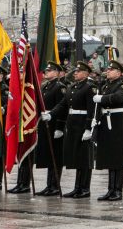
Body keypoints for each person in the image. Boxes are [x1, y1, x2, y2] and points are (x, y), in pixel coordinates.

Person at [47, 61, 96, 198]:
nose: (75, 73)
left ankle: (85, 188)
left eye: (78, 71)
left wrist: (88, 129)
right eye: (75, 71)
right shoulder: (73, 87)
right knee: (76, 157)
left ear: (85, 73)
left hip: (82, 123)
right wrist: (51, 114)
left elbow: (91, 110)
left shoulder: (89, 87)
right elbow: (63, 104)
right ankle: (77, 187)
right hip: (72, 124)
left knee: (85, 158)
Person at [92, 60, 123, 201]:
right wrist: (95, 120)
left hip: (117, 122)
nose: (108, 72)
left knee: (119, 157)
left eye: (111, 70)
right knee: (110, 157)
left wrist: (102, 98)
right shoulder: (106, 85)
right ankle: (110, 189)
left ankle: (118, 190)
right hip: (106, 121)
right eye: (107, 70)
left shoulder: (122, 84)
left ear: (118, 72)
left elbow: (119, 97)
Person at [35, 62, 67, 196]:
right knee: (49, 154)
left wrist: (59, 127)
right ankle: (49, 185)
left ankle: (55, 185)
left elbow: (63, 109)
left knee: (56, 155)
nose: (46, 73)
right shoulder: (46, 86)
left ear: (57, 72)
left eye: (49, 71)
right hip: (45, 122)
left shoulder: (60, 87)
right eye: (46, 71)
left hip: (54, 124)